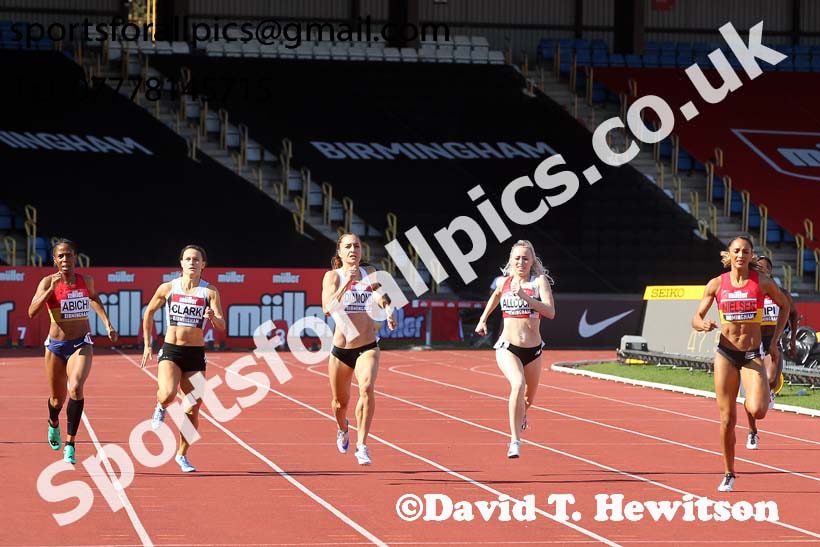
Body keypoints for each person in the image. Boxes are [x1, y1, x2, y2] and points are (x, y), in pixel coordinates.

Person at [691, 236, 790, 491]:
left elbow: (785, 307)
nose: (740, 255)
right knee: (726, 420)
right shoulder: (716, 284)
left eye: (746, 251)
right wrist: (702, 324)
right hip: (725, 354)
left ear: (751, 256)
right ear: (730, 254)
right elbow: (696, 316)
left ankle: (754, 394)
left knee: (758, 409)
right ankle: (729, 472)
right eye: (736, 251)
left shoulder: (762, 283)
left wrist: (774, 341)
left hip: (750, 355)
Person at [27, 239, 119, 464]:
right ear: (54, 260)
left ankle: (70, 443)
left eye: (68, 255)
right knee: (57, 401)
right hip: (56, 347)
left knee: (76, 387)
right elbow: (31, 312)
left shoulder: (85, 281)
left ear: (75, 257)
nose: (65, 259)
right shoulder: (47, 282)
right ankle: (53, 423)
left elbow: (94, 298)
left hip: (81, 343)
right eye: (61, 256)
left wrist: (107, 323)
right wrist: (49, 290)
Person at [140, 245, 225, 472]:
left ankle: (182, 455)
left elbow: (221, 324)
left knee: (192, 409)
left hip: (195, 355)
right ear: (181, 263)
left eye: (196, 260)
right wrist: (148, 344)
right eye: (188, 259)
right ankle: (161, 405)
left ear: (203, 265)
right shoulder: (169, 288)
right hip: (171, 351)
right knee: (167, 393)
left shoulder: (209, 292)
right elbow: (148, 312)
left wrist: (212, 317)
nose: (192, 263)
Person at [474, 240, 555, 459]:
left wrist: (525, 297)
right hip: (507, 347)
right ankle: (514, 440)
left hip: (534, 350)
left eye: (525, 258)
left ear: (532, 261)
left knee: (528, 399)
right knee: (517, 384)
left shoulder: (539, 282)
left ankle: (522, 415)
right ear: (511, 260)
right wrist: (483, 320)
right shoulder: (505, 282)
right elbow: (495, 297)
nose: (521, 262)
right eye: (517, 258)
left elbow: (550, 312)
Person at [322, 233, 396, 465]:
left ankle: (362, 445)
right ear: (340, 252)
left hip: (367, 345)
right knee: (339, 404)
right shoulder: (332, 276)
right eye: (348, 246)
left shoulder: (369, 271)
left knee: (366, 388)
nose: (353, 250)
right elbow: (327, 308)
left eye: (357, 246)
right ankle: (342, 428)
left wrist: (387, 308)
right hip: (342, 350)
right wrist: (346, 283)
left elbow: (376, 292)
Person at [745, 256, 798, 449]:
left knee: (772, 380)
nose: (760, 270)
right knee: (752, 393)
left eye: (764, 268)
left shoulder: (780, 293)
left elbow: (793, 314)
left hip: (773, 342)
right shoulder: (750, 291)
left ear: (770, 272)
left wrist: (792, 340)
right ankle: (752, 432)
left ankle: (770, 391)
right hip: (753, 342)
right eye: (756, 268)